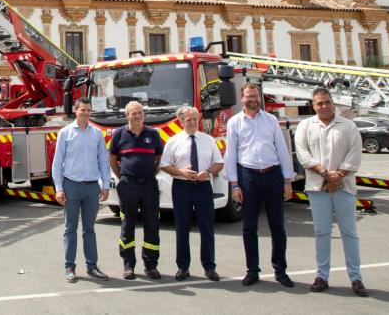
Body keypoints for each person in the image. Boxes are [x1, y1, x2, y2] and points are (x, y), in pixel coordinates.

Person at [295, 87, 369, 297]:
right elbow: (303, 155)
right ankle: (322, 276)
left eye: (327, 102)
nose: (324, 106)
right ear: (313, 105)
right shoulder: (305, 126)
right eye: (319, 103)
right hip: (318, 189)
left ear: (332, 103)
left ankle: (356, 278)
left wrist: (338, 177)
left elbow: (354, 155)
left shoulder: (348, 126)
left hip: (344, 188)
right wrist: (327, 175)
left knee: (349, 233)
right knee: (322, 232)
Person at [224, 82, 296, 287]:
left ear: (259, 97)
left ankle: (280, 270)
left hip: (272, 175)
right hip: (248, 177)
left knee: (277, 226)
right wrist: (234, 185)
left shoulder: (271, 120)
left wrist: (287, 180)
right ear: (242, 98)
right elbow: (231, 154)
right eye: (248, 96)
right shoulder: (235, 122)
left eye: (255, 95)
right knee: (249, 227)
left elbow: (282, 150)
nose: (252, 99)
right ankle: (252, 270)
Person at [160, 106, 223, 281]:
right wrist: (181, 172)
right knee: (182, 228)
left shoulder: (208, 140)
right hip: (182, 187)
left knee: (207, 227)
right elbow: (164, 165)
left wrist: (208, 173)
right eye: (189, 119)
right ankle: (183, 267)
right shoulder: (173, 141)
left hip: (203, 187)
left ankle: (209, 267)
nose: (193, 122)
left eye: (195, 119)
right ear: (181, 121)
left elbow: (219, 162)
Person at [52, 97, 111, 283]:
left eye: (88, 110)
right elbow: (57, 163)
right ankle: (69, 266)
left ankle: (92, 267)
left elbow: (103, 161)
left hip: (92, 187)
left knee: (89, 229)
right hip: (71, 186)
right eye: (82, 109)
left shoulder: (97, 134)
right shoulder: (65, 133)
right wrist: (59, 188)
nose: (86, 113)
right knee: (70, 228)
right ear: (76, 111)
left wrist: (106, 185)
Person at [109, 100, 163, 280]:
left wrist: (150, 173)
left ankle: (151, 265)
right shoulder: (118, 134)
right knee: (127, 225)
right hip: (128, 185)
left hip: (148, 184)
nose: (138, 116)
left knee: (152, 224)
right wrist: (122, 177)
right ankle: (128, 265)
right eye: (134, 113)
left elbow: (158, 157)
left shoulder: (153, 134)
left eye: (140, 112)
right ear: (127, 116)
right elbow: (113, 158)